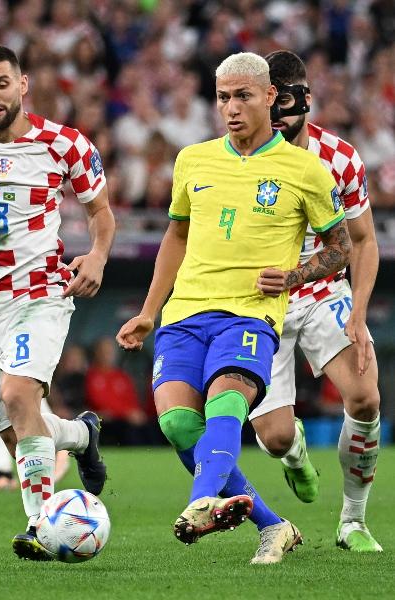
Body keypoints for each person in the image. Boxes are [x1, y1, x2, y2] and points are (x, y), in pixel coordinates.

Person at [117, 51, 352, 564]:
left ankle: (202, 501)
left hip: (250, 314)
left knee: (226, 403)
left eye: (243, 96)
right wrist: (149, 309)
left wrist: (293, 276)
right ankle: (273, 525)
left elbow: (341, 248)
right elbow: (175, 236)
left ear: (270, 97)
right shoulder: (192, 160)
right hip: (185, 313)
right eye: (223, 97)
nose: (232, 107)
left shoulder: (305, 169)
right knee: (178, 425)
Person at [0, 45, 115, 560]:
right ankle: (81, 437)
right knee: (20, 433)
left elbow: (100, 212)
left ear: (23, 84)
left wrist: (98, 258)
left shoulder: (64, 143)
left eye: (0, 83)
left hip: (40, 292)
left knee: (21, 394)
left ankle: (40, 527)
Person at [247, 50, 382, 553]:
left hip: (325, 291)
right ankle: (293, 451)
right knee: (276, 437)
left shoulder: (340, 158)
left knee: (366, 398)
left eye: (285, 103)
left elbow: (364, 242)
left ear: (303, 101)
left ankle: (353, 522)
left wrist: (361, 315)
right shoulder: (237, 158)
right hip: (261, 303)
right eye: (269, 104)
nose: (277, 115)